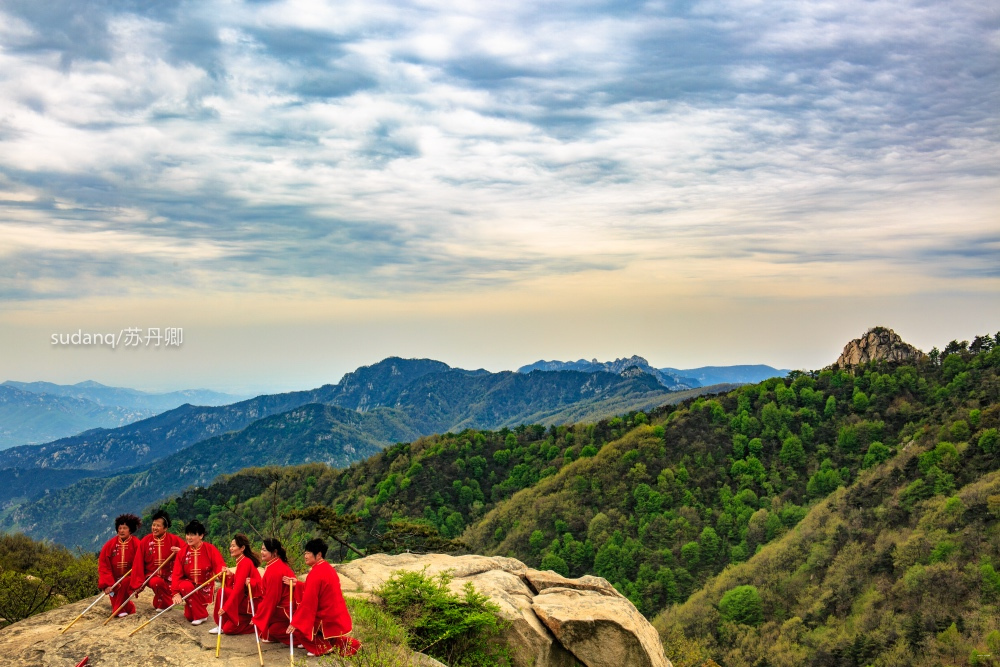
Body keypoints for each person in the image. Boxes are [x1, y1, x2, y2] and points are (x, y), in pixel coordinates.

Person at [281, 538, 360, 657]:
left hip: (325, 616)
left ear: (318, 554)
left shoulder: (316, 573)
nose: (305, 556)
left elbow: (309, 602)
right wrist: (298, 584)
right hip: (334, 613)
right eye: (305, 552)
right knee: (330, 637)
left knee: (298, 628)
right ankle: (353, 645)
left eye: (308, 553)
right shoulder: (327, 568)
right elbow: (316, 590)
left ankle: (321, 648)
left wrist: (296, 622)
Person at [170, 520, 225, 624]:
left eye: (192, 535)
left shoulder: (210, 549)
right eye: (187, 534)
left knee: (192, 616)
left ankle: (201, 615)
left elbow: (219, 565)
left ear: (201, 536)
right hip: (189, 587)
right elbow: (176, 574)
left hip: (204, 587)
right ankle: (201, 614)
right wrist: (175, 593)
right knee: (189, 616)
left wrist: (222, 572)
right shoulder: (183, 552)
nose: (189, 538)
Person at [131, 509, 184, 609]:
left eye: (158, 526)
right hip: (152, 576)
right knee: (157, 583)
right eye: (153, 525)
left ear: (165, 528)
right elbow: (138, 563)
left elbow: (189, 553)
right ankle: (168, 603)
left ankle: (160, 602)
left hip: (171, 576)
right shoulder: (145, 541)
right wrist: (137, 583)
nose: (154, 528)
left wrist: (180, 552)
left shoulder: (174, 540)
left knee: (172, 587)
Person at [210, 533, 262, 635]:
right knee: (228, 628)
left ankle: (257, 624)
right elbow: (240, 582)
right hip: (245, 600)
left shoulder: (245, 562)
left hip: (250, 603)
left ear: (242, 548)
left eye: (233, 546)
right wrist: (231, 575)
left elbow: (238, 589)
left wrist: (226, 608)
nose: (231, 548)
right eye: (231, 546)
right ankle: (221, 623)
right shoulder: (241, 561)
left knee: (222, 592)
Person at [251, 538, 296, 643]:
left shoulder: (275, 569)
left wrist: (258, 616)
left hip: (286, 609)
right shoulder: (274, 565)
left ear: (274, 552)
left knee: (271, 625)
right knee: (272, 630)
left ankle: (301, 639)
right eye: (261, 549)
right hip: (282, 606)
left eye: (265, 550)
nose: (262, 552)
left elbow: (272, 598)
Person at [98, 514, 142, 617]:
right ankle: (129, 607)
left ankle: (117, 610)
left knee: (126, 582)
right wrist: (107, 584)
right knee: (117, 597)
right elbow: (103, 565)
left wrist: (138, 582)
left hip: (129, 578)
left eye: (125, 528)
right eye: (120, 528)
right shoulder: (109, 545)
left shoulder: (137, 544)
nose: (121, 530)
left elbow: (141, 564)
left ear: (130, 530)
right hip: (113, 582)